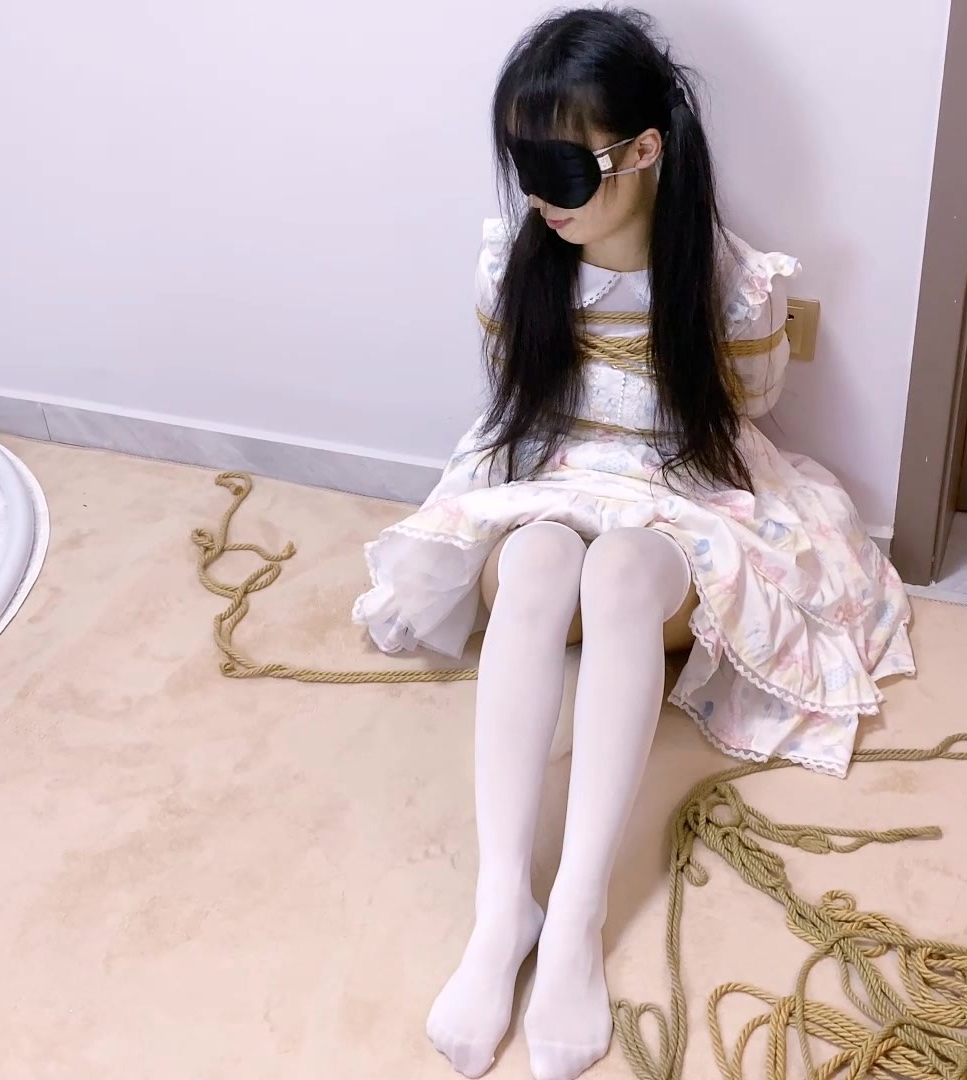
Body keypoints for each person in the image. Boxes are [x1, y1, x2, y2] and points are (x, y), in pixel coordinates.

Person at [351, 8, 914, 1078]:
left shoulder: (729, 284)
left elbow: (739, 417)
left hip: (672, 505)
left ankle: (576, 914)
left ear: (645, 151)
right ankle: (502, 907)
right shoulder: (518, 266)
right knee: (538, 559)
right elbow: (518, 411)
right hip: (556, 484)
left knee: (616, 570)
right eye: (523, 163)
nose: (538, 196)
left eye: (562, 167)